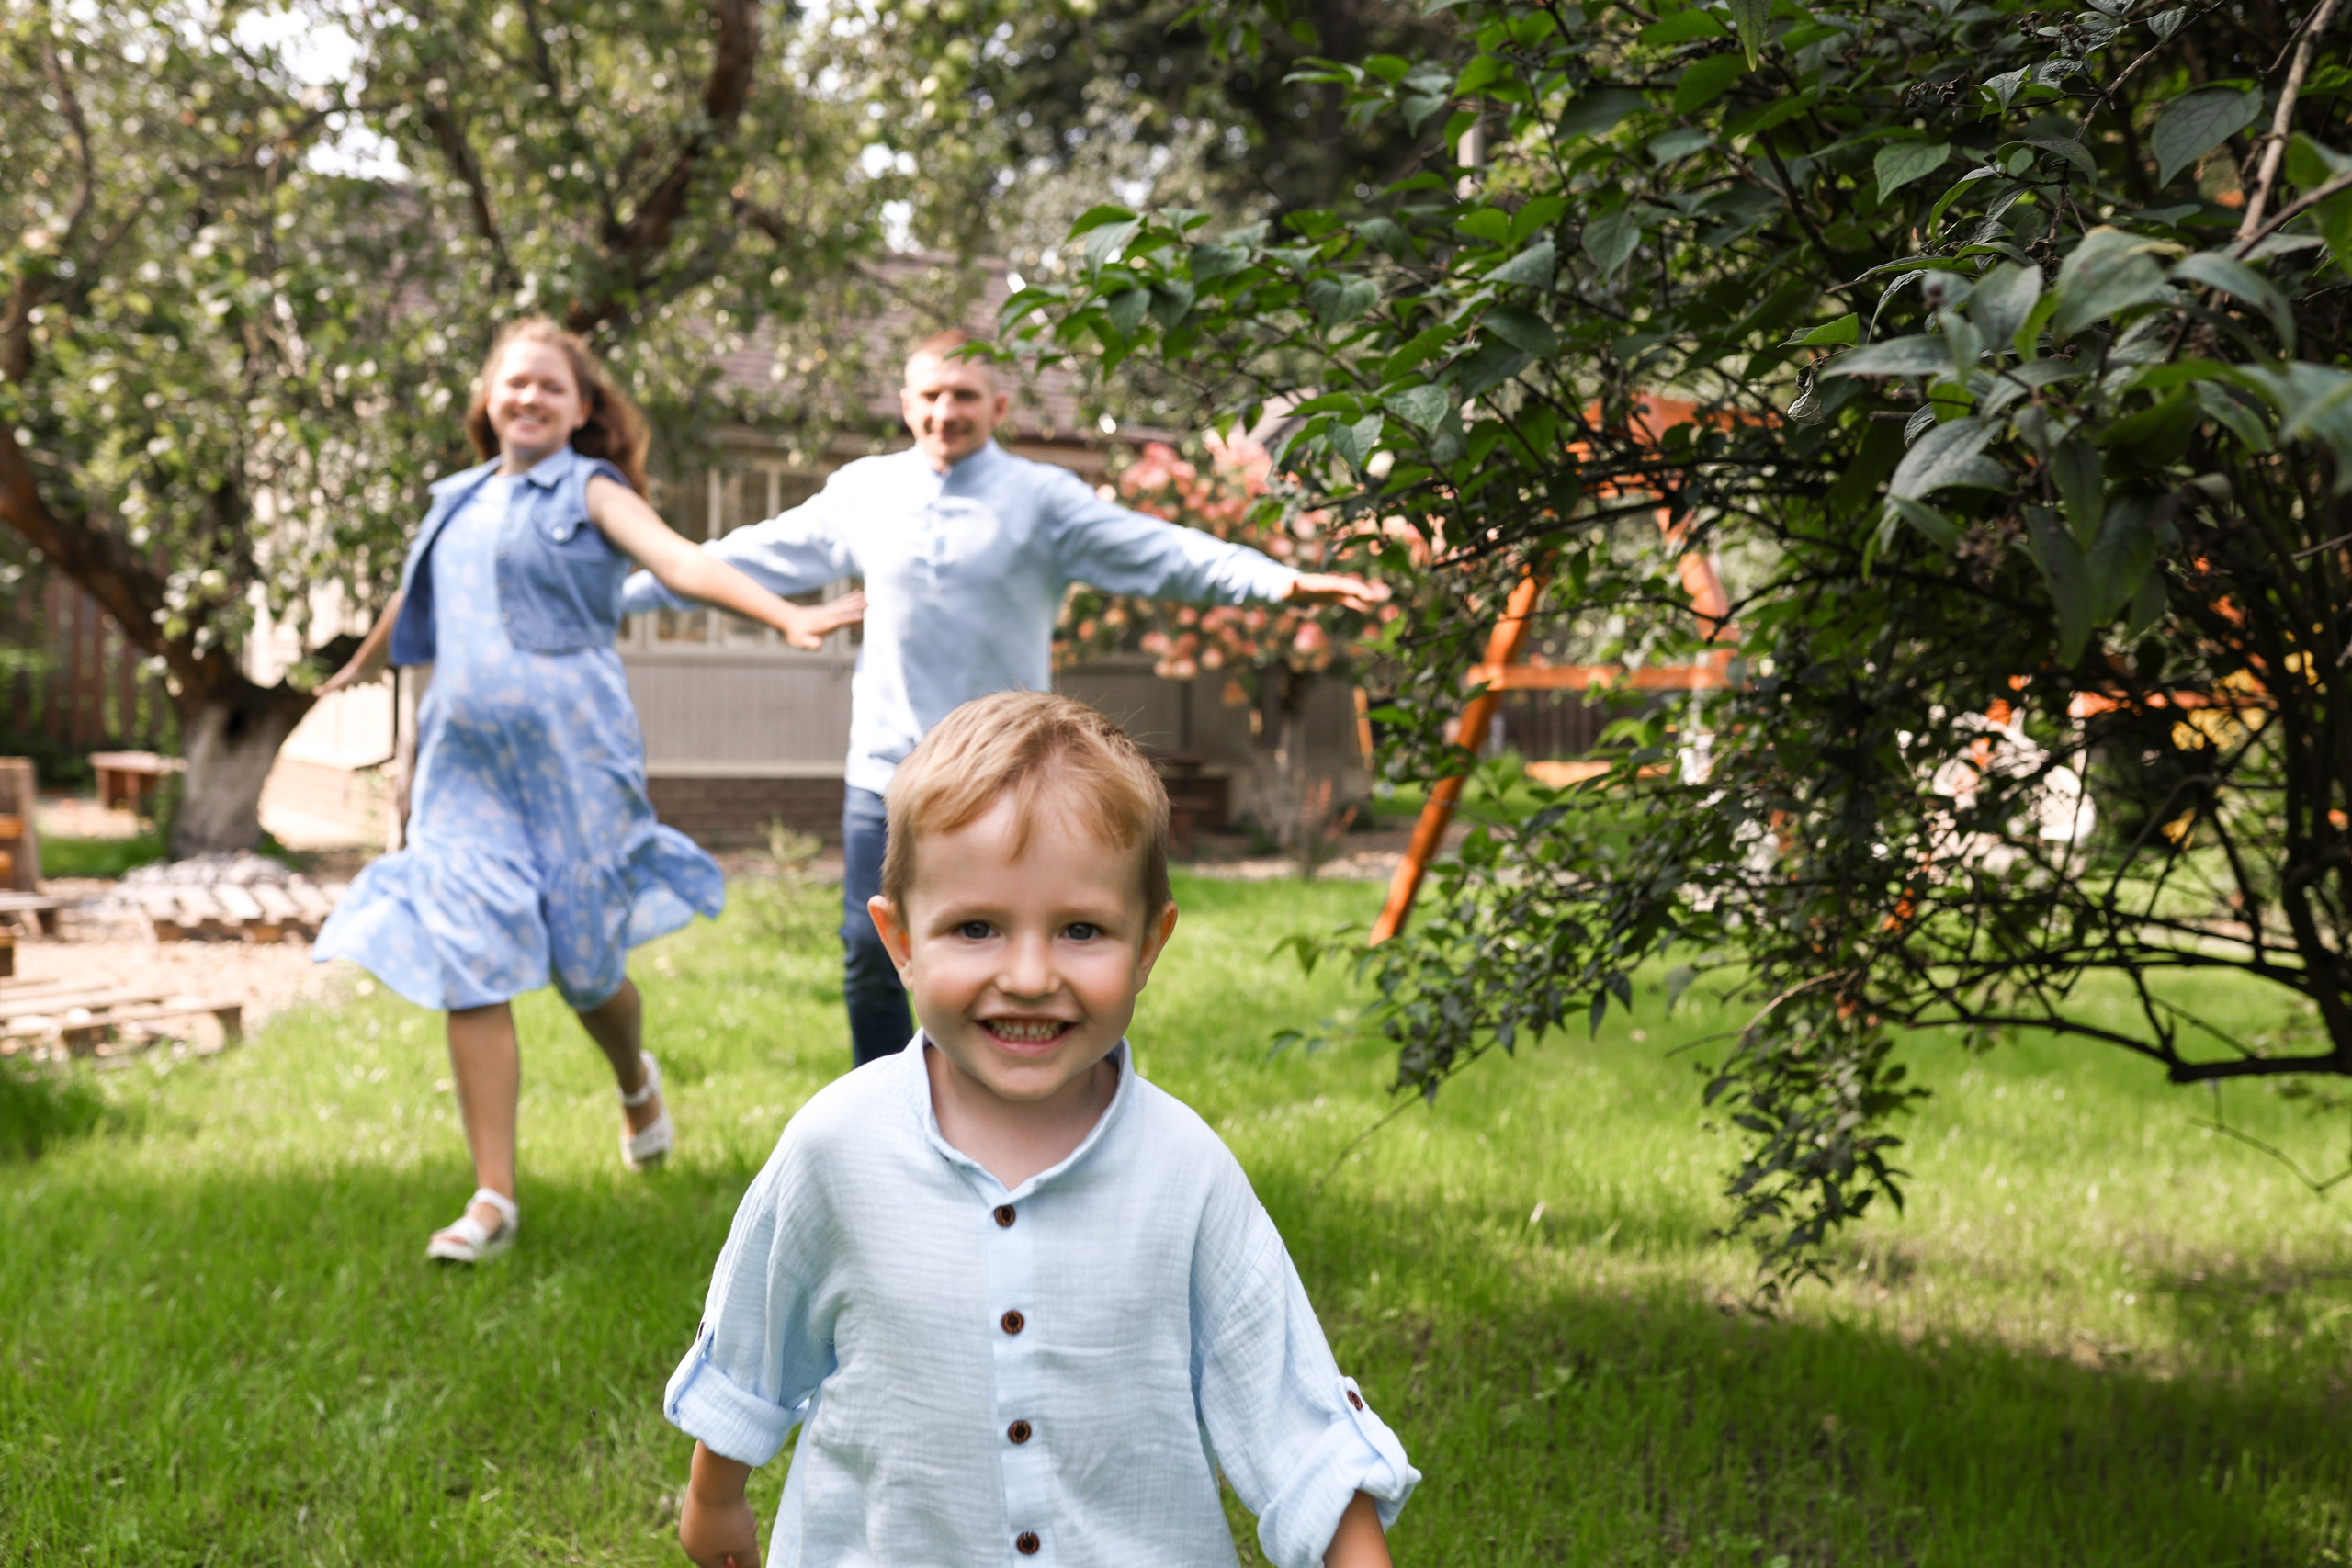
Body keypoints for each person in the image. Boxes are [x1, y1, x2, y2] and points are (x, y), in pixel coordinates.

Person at [665, 690, 1417, 1568]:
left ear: (1148, 944)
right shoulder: (837, 1146)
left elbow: (1293, 1411)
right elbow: (757, 1339)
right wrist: (714, 1496)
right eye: (976, 927)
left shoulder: (1186, 1174)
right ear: (901, 940)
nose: (1028, 975)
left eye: (1081, 930)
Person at [620, 330, 1387, 1066]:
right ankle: (885, 1110)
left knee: (1007, 951)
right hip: (885, 768)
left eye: (962, 394)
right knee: (871, 950)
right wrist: (618, 597)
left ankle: (1018, 1094)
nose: (943, 412)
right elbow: (747, 557)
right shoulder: (867, 491)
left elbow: (1158, 552)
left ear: (998, 405)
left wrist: (1277, 579)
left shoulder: (1040, 499)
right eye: (929, 395)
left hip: (1006, 776)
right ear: (903, 401)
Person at [312, 318, 865, 1263]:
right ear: (488, 398)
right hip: (462, 770)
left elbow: (680, 561)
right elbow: (416, 601)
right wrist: (355, 666)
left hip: (577, 760)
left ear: (579, 410)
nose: (529, 398)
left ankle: (633, 1077)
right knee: (472, 958)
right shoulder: (451, 501)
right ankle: (492, 1199)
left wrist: (784, 617)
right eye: (514, 383)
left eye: (550, 388)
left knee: (586, 967)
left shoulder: (591, 489)